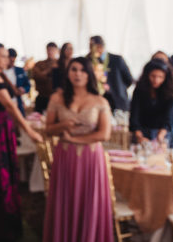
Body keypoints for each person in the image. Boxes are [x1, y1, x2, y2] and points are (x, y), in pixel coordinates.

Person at [43, 57, 113, 242]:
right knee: (65, 201)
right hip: (65, 157)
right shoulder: (57, 98)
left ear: (89, 74)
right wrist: (63, 124)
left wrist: (74, 138)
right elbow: (48, 130)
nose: (78, 74)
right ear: (68, 73)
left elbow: (104, 135)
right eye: (74, 69)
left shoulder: (100, 101)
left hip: (91, 159)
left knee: (90, 201)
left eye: (82, 70)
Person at [0, 42, 43, 242]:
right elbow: (9, 106)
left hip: (2, 128)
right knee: (0, 174)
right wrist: (29, 131)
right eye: (4, 55)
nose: (8, 59)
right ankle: (0, 225)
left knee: (5, 171)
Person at [129, 59, 173, 145]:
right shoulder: (139, 90)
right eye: (153, 76)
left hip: (163, 132)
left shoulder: (171, 91)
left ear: (166, 77)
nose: (156, 80)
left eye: (160, 77)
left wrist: (160, 136)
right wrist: (139, 136)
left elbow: (168, 117)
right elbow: (134, 115)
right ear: (147, 75)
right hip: (141, 131)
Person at [87, 35, 133, 111]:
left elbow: (129, 80)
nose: (90, 49)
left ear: (100, 46)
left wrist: (117, 88)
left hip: (117, 101)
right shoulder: (88, 60)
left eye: (92, 46)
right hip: (95, 101)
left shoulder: (117, 59)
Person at [32, 42, 60, 113]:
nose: (50, 52)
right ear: (46, 50)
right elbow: (37, 77)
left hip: (58, 98)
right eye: (49, 50)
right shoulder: (39, 64)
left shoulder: (60, 64)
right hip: (42, 97)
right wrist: (50, 69)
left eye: (53, 50)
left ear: (57, 51)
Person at [4, 48, 30, 115]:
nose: (12, 62)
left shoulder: (20, 70)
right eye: (10, 60)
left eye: (14, 60)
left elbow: (28, 85)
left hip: (18, 103)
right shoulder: (1, 72)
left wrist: (24, 89)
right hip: (5, 104)